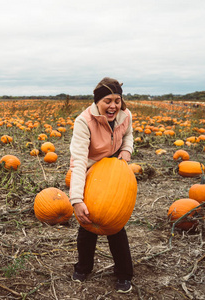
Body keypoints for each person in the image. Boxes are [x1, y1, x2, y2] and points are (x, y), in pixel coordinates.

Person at [69, 77, 134, 294]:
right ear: (97, 101)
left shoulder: (126, 116)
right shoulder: (84, 121)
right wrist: (76, 200)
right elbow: (78, 161)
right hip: (90, 172)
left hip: (114, 171)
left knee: (115, 223)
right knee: (88, 223)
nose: (113, 105)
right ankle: (83, 268)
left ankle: (124, 274)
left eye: (117, 100)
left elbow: (128, 135)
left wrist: (126, 150)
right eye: (108, 100)